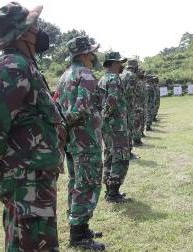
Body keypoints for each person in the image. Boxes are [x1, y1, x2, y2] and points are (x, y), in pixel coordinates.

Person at [0, 2, 66, 250]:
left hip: (32, 176)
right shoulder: (14, 67)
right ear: (23, 33)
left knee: (30, 242)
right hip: (24, 180)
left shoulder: (25, 65)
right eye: (34, 25)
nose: (38, 30)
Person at [54, 36, 105, 250]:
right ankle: (78, 234)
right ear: (84, 54)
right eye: (91, 52)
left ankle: (80, 225)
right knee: (87, 183)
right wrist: (71, 125)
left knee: (76, 182)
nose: (93, 56)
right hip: (85, 139)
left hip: (72, 141)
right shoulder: (85, 75)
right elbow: (81, 108)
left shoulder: (64, 76)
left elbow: (57, 105)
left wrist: (64, 130)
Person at [99, 52, 131, 203]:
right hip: (115, 125)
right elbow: (111, 101)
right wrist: (106, 116)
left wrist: (102, 119)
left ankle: (109, 190)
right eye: (119, 63)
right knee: (121, 156)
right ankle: (113, 193)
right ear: (111, 64)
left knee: (109, 155)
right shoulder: (113, 79)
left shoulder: (102, 79)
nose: (121, 65)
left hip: (107, 125)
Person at [121, 59, 139, 159]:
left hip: (121, 107)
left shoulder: (121, 74)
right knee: (129, 129)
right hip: (129, 106)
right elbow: (131, 92)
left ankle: (125, 151)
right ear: (135, 67)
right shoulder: (132, 76)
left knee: (124, 130)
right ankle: (129, 152)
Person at [133, 69, 147, 145]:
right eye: (141, 73)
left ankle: (139, 135)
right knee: (137, 123)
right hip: (136, 106)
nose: (143, 75)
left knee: (140, 122)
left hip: (140, 105)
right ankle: (136, 140)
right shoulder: (136, 82)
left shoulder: (141, 82)